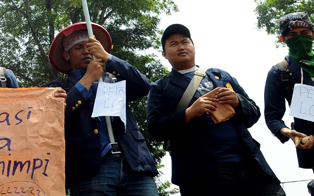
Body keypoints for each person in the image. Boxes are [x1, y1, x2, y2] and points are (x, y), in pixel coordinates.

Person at [147, 24, 284, 196]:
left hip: (250, 163)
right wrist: (189, 113)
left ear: (194, 47)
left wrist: (238, 101)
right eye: (173, 44)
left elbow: (254, 113)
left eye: (185, 42)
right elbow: (155, 128)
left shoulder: (220, 75)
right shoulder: (160, 87)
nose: (181, 47)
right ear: (164, 54)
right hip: (203, 174)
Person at [47, 22, 159, 196]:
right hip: (92, 169)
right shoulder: (59, 86)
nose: (86, 51)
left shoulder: (114, 79)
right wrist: (88, 79)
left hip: (134, 163)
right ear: (66, 55)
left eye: (90, 46)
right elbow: (54, 116)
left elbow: (144, 86)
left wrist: (109, 58)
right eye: (78, 47)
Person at [264, 12, 314, 170]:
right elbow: (272, 118)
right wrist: (290, 134)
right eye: (292, 34)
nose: (300, 37)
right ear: (283, 39)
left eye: (304, 33)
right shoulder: (280, 72)